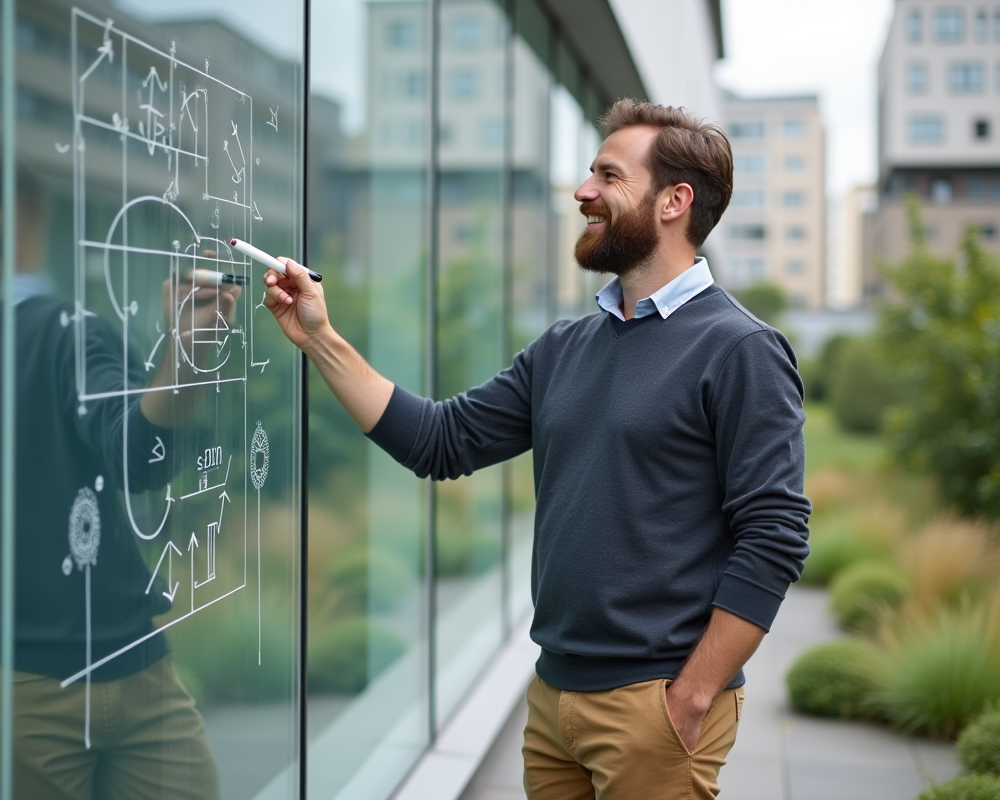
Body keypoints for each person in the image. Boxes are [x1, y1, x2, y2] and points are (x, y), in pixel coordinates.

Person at [262, 99, 811, 799]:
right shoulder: (564, 347)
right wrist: (319, 338)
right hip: (554, 697)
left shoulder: (740, 349)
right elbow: (440, 440)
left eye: (608, 176)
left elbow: (775, 535)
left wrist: (694, 693)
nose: (582, 192)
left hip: (655, 703)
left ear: (675, 201)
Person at [0, 146, 234, 799]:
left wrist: (185, 354)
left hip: (126, 673)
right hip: (33, 688)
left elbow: (137, 455)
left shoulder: (71, 334)